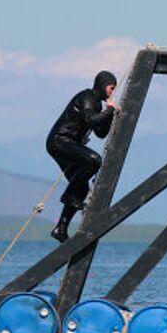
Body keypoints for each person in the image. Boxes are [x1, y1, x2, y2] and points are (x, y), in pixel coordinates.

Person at [46, 70, 119, 242]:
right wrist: (109, 110)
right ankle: (68, 196)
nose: (112, 92)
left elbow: (101, 133)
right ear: (102, 85)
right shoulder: (87, 97)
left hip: (68, 144)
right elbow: (90, 120)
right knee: (94, 160)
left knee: (82, 189)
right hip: (60, 141)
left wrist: (110, 114)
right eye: (111, 88)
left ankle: (60, 229)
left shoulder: (98, 105)